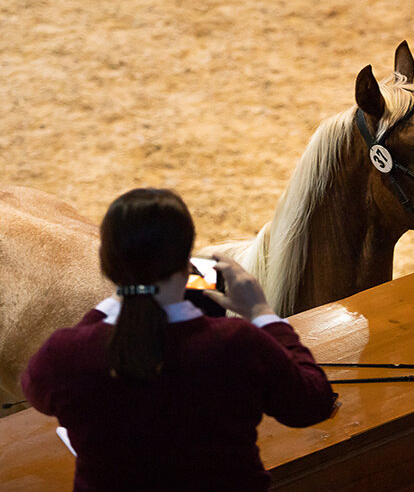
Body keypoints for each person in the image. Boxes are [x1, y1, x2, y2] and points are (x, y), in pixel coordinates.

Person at [21, 188, 337, 491]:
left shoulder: (64, 355)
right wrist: (262, 314)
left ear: (106, 264)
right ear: (188, 264)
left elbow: (35, 390)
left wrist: (112, 305)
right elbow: (315, 402)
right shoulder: (237, 344)